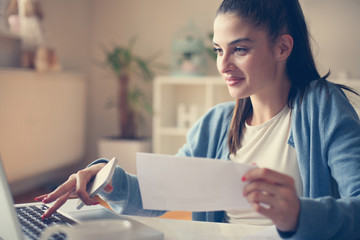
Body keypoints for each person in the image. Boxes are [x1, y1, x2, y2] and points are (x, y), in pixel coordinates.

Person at [36, 0, 360, 239]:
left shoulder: (323, 107)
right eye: (219, 50)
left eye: (240, 49)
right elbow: (156, 194)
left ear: (282, 47)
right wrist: (101, 176)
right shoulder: (216, 124)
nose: (223, 65)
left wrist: (299, 214)